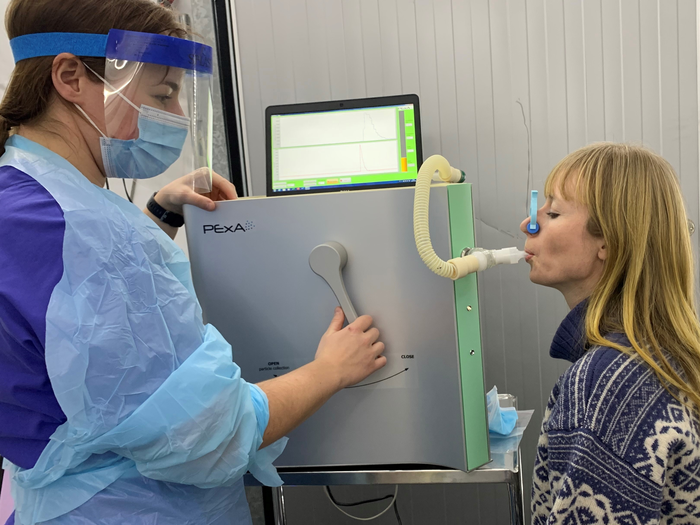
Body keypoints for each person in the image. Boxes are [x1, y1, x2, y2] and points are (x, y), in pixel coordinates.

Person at [0, 1, 386, 524]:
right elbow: (206, 431)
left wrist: (157, 215)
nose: (178, 117)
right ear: (70, 76)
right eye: (163, 94)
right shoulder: (83, 229)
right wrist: (330, 370)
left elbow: (75, 327)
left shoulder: (24, 198)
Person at [521, 143, 700, 524]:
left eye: (552, 212)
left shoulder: (606, 384)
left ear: (609, 241)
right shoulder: (663, 357)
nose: (529, 225)